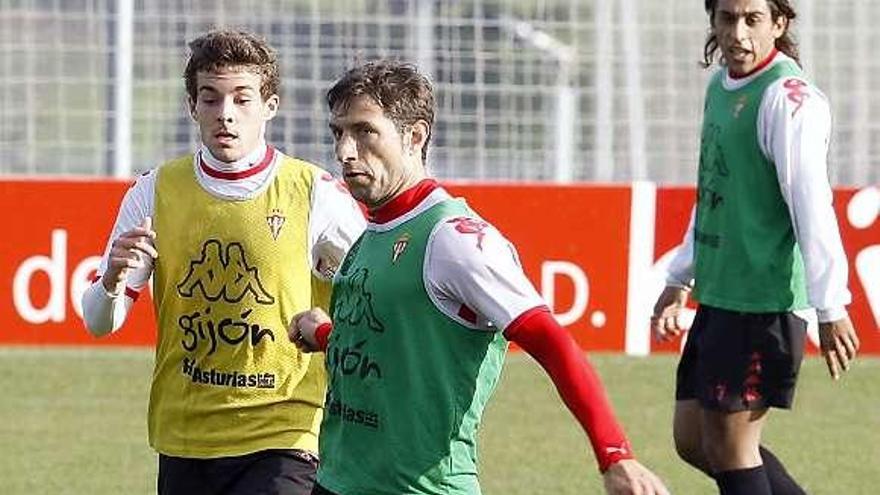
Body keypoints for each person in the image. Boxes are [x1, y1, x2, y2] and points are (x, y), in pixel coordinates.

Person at [287, 59, 669, 495]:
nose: (345, 152)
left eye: (364, 131)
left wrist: (614, 455)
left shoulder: (454, 239)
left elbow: (553, 342)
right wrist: (324, 333)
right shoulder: (372, 230)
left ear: (415, 136)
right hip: (336, 482)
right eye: (338, 133)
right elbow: (390, 346)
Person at [81, 29, 365, 495]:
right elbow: (99, 322)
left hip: (285, 434)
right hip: (185, 434)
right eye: (210, 99)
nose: (225, 114)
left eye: (242, 99)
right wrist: (111, 279)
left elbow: (371, 292)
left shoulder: (314, 192)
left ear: (270, 105)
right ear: (192, 106)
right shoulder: (154, 192)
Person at [651, 1, 860, 494]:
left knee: (730, 448)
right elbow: (713, 191)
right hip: (722, 294)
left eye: (753, 19)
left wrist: (831, 305)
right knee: (693, 438)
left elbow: (812, 205)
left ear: (780, 24)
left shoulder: (789, 100)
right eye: (727, 18)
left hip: (762, 302)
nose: (738, 33)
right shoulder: (720, 87)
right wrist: (681, 275)